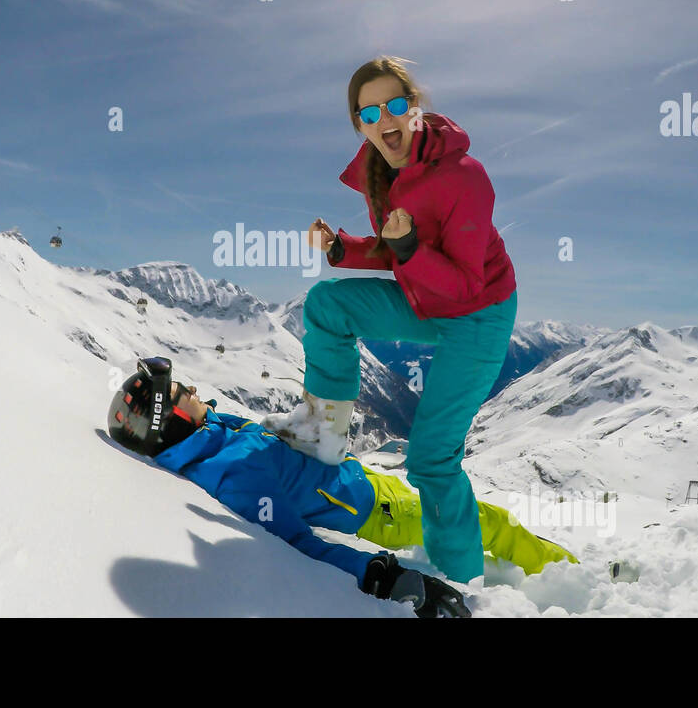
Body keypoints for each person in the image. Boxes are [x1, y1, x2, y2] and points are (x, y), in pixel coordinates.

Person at [264, 56, 519, 587]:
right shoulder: (383, 172)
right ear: (358, 123)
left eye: (397, 105)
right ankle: (323, 434)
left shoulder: (464, 178)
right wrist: (342, 247)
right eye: (370, 111)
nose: (386, 119)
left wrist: (407, 247)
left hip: (478, 313)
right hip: (426, 296)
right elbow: (395, 252)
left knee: (430, 460)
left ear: (416, 107)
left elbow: (466, 284)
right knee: (328, 305)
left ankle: (458, 583)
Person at [106, 357, 578, 619]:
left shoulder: (212, 437)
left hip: (359, 479)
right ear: (174, 418)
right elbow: (296, 543)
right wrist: (381, 574)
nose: (193, 390)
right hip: (376, 511)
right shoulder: (234, 475)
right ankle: (571, 575)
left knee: (470, 516)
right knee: (485, 520)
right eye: (181, 391)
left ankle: (544, 562)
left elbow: (247, 435)